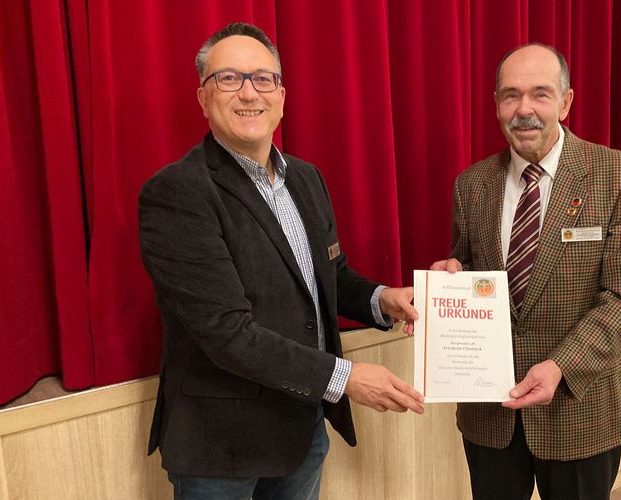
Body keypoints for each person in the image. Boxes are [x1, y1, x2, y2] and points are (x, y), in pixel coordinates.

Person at [138, 22, 424, 499]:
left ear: (282, 95)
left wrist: (382, 299)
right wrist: (347, 378)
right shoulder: (177, 194)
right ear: (203, 98)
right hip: (220, 447)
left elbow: (329, 276)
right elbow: (226, 333)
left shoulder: (306, 179)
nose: (249, 93)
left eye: (263, 78)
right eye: (229, 79)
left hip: (301, 427)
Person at [430, 43, 621, 499]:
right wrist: (454, 272)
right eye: (511, 95)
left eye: (540, 94)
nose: (524, 109)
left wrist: (559, 367)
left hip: (580, 409)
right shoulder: (471, 185)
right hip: (491, 415)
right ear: (496, 105)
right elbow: (473, 270)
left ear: (566, 102)